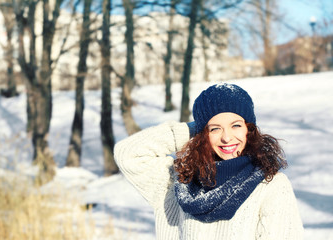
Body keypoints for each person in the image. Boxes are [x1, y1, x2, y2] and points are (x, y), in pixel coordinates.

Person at [114, 83, 303, 240]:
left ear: (249, 129)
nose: (227, 138)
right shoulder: (179, 181)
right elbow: (129, 154)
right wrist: (196, 129)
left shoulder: (270, 186)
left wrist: (209, 125)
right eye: (215, 129)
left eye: (236, 125)